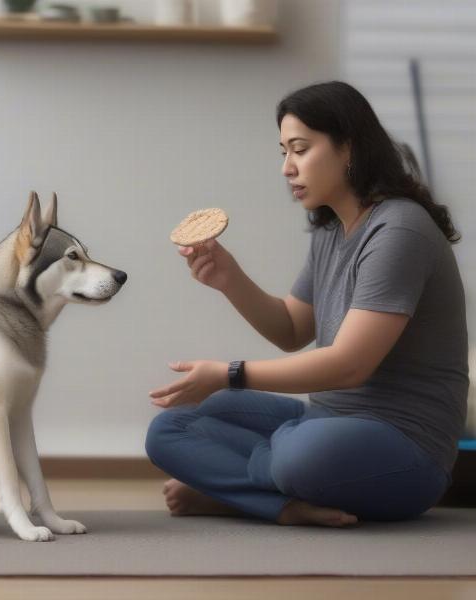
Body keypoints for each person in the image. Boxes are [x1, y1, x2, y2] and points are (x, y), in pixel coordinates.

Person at [144, 81, 469, 527]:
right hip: (324, 419)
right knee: (172, 428)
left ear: (348, 149)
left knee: (302, 455)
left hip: (406, 449)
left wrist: (229, 374)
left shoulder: (400, 231)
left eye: (299, 149)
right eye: (283, 152)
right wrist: (229, 278)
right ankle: (280, 503)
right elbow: (292, 329)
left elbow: (351, 365)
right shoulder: (332, 231)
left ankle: (239, 487)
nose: (286, 168)